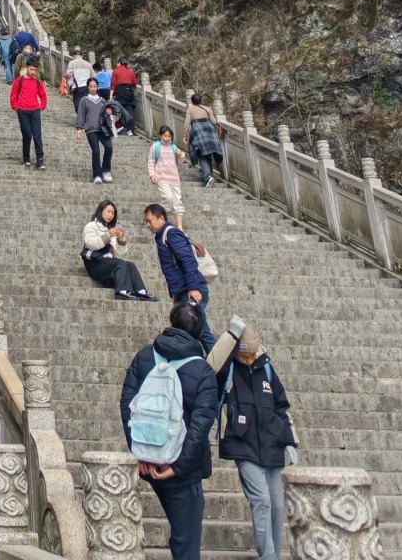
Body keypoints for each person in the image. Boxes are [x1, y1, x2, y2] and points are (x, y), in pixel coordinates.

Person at [120, 302, 219, 560]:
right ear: (200, 332)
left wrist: (140, 453)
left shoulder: (144, 357)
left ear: (171, 322)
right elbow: (200, 426)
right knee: (187, 543)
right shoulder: (203, 371)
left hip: (147, 461)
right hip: (180, 470)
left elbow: (127, 405)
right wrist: (178, 467)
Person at [215, 323, 299, 560]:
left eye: (252, 355)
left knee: (277, 505)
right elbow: (210, 366)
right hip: (242, 443)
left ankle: (275, 554)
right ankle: (268, 556)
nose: (249, 359)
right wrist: (230, 336)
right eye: (245, 356)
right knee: (261, 500)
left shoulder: (266, 368)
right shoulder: (228, 367)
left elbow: (281, 406)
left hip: (272, 443)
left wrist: (290, 440)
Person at [144, 205, 216, 353]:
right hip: (184, 290)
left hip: (192, 288)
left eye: (150, 220)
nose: (148, 225)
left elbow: (187, 260)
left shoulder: (171, 234)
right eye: (146, 221)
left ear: (161, 218)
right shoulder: (162, 236)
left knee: (199, 330)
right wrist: (175, 295)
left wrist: (193, 287)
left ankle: (221, 364)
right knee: (191, 330)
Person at [81, 201, 157, 300]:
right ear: (101, 211)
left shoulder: (110, 229)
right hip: (94, 263)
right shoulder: (91, 226)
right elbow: (91, 244)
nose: (110, 215)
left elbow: (120, 254)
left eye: (113, 213)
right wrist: (108, 235)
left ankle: (141, 291)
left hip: (107, 263)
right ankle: (122, 292)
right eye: (108, 211)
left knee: (130, 265)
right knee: (120, 264)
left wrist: (121, 239)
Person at [10, 58, 47, 168]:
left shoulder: (37, 82)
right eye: (31, 69)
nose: (33, 72)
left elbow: (43, 96)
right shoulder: (19, 80)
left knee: (37, 135)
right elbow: (13, 95)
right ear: (26, 68)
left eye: (35, 70)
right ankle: (26, 157)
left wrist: (41, 107)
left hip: (35, 110)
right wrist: (16, 107)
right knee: (26, 134)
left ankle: (40, 159)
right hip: (22, 110)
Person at [76, 77, 113, 183]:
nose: (93, 88)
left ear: (97, 87)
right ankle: (97, 174)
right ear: (88, 87)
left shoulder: (102, 100)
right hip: (91, 130)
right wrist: (79, 128)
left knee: (109, 147)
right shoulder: (84, 100)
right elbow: (81, 115)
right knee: (96, 151)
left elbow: (106, 115)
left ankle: (106, 170)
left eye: (95, 86)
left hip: (103, 129)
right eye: (91, 86)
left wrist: (109, 112)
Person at [149, 126, 186, 229]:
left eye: (169, 136)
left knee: (178, 201)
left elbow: (179, 163)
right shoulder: (156, 146)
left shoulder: (173, 147)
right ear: (160, 135)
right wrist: (152, 175)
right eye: (165, 136)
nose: (167, 138)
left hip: (174, 178)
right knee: (168, 198)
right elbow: (151, 161)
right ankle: (158, 216)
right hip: (162, 178)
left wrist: (181, 155)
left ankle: (180, 227)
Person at [183, 94, 223, 189]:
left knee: (201, 154)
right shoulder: (207, 108)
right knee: (207, 153)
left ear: (192, 101)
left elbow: (187, 123)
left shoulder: (190, 109)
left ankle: (208, 177)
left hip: (198, 130)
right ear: (201, 100)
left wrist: (185, 136)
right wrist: (218, 124)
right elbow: (213, 121)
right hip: (209, 129)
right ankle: (209, 177)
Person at [111, 57, 138, 135]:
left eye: (117, 63)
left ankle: (121, 127)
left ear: (119, 63)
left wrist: (111, 95)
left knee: (119, 111)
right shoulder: (131, 71)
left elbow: (113, 84)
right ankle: (130, 130)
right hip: (129, 92)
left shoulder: (116, 71)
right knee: (130, 111)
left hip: (119, 92)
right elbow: (134, 83)